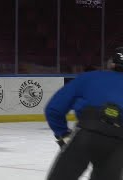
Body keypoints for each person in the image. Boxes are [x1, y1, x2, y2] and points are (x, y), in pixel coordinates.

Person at [44, 47, 123, 180]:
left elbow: (54, 109)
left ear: (111, 63)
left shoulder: (89, 77)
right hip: (119, 144)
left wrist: (63, 133)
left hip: (86, 134)